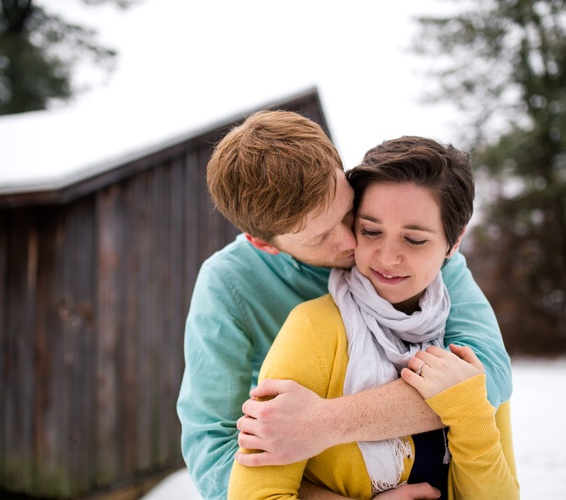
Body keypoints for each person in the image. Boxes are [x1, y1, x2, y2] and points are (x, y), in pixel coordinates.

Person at [176, 110, 513, 499]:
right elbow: (212, 446)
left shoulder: (412, 252)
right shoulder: (229, 284)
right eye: (320, 237)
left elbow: (490, 378)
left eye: (349, 212)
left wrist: (324, 422)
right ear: (264, 243)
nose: (353, 243)